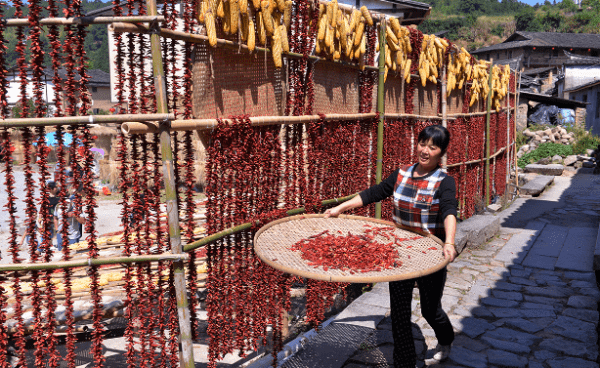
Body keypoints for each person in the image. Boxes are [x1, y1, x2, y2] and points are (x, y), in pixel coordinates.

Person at [325, 125, 457, 368]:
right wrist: (340, 208)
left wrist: (449, 242)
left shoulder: (444, 182)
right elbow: (373, 193)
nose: (425, 151)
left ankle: (446, 338)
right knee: (399, 313)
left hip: (431, 255)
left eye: (433, 147)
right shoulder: (401, 174)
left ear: (441, 152)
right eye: (422, 144)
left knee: (430, 310)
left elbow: (449, 210)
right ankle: (404, 363)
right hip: (400, 252)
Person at [54, 183, 86, 251]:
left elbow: (83, 221)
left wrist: (74, 215)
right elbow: (55, 218)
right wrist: (57, 230)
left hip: (72, 237)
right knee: (62, 255)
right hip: (61, 236)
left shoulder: (75, 206)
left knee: (73, 255)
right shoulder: (57, 206)